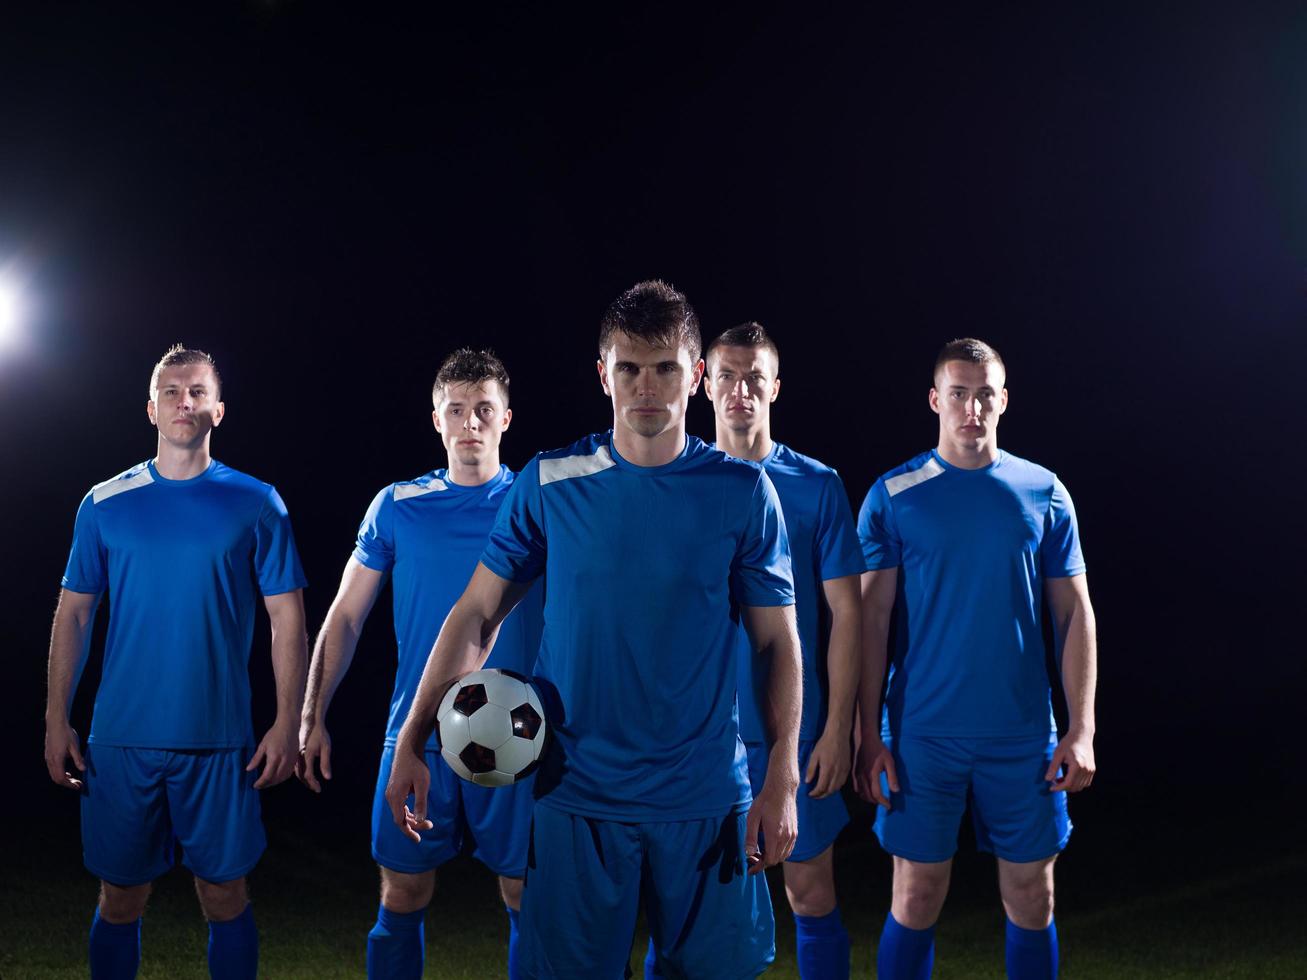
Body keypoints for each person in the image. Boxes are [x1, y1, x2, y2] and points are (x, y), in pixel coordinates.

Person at [386, 281, 803, 979]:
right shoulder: (551, 481)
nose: (647, 385)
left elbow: (776, 643)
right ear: (602, 374)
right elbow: (474, 614)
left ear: (694, 376)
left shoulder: (738, 490)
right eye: (629, 367)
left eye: (665, 367)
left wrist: (781, 777)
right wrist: (413, 738)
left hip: (701, 795)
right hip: (576, 795)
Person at [44, 344, 308, 980]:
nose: (183, 402)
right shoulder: (104, 502)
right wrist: (56, 718)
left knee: (224, 898)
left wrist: (286, 721)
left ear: (218, 408)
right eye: (171, 391)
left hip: (220, 740)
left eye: (196, 392)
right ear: (151, 408)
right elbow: (73, 614)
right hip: (123, 738)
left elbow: (287, 619)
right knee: (120, 899)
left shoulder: (257, 502)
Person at [853, 338, 1098, 980]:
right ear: (936, 400)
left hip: (1021, 732)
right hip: (919, 732)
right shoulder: (893, 493)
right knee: (915, 896)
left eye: (985, 394)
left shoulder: (1042, 491)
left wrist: (1081, 727)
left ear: (1004, 401)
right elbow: (869, 624)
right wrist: (864, 732)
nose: (972, 407)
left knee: (1033, 897)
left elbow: (1074, 615)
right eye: (958, 393)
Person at [296, 348, 543, 979]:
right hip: (418, 734)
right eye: (456, 410)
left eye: (484, 410)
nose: (470, 424)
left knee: (527, 900)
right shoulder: (398, 504)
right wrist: (311, 713)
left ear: (506, 419)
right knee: (402, 895)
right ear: (436, 420)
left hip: (516, 736)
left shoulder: (537, 506)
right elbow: (346, 615)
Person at [645, 321, 863, 979]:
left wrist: (834, 730)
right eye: (729, 376)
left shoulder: (816, 485)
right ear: (706, 383)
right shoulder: (676, 479)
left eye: (754, 378)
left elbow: (847, 615)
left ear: (774, 387)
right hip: (694, 734)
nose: (742, 390)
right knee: (683, 901)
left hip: (786, 731)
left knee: (810, 890)